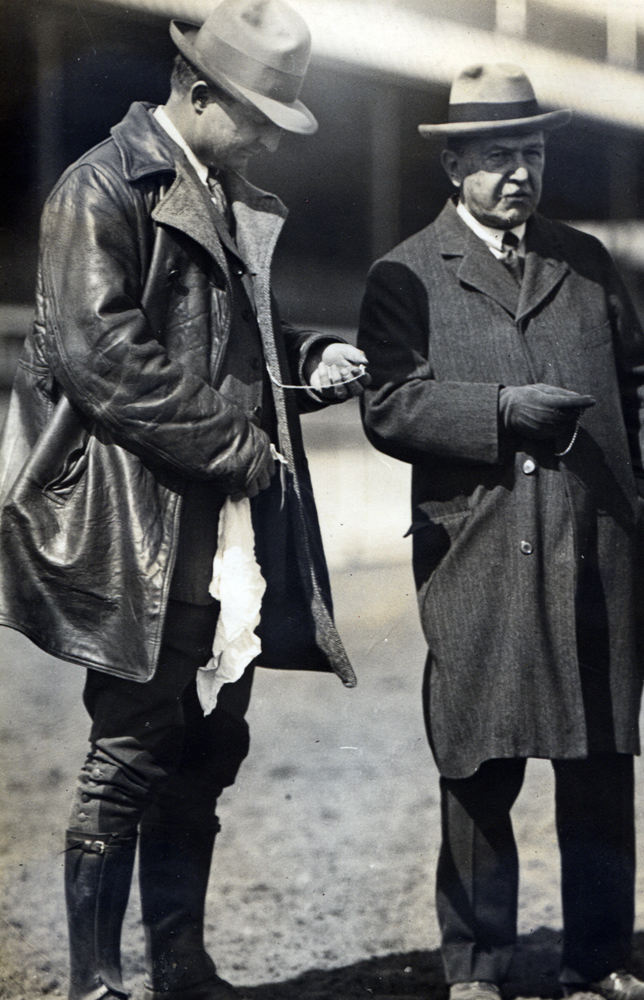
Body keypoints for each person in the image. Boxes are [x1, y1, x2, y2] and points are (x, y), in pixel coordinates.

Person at [0, 2, 369, 999]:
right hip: (138, 522)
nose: (261, 138)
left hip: (224, 525)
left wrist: (308, 356)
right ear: (198, 92)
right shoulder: (102, 185)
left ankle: (180, 962)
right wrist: (234, 443)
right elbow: (97, 353)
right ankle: (93, 980)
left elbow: (237, 344)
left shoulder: (226, 194)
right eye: (253, 116)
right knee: (129, 747)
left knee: (210, 741)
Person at [358, 63, 644, 1000]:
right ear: (452, 167)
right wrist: (500, 409)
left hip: (598, 553)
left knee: (598, 767)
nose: (518, 174)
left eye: (529, 153)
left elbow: (642, 385)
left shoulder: (585, 260)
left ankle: (599, 963)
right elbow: (388, 405)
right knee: (479, 763)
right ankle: (476, 971)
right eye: (496, 157)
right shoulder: (404, 273)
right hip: (481, 552)